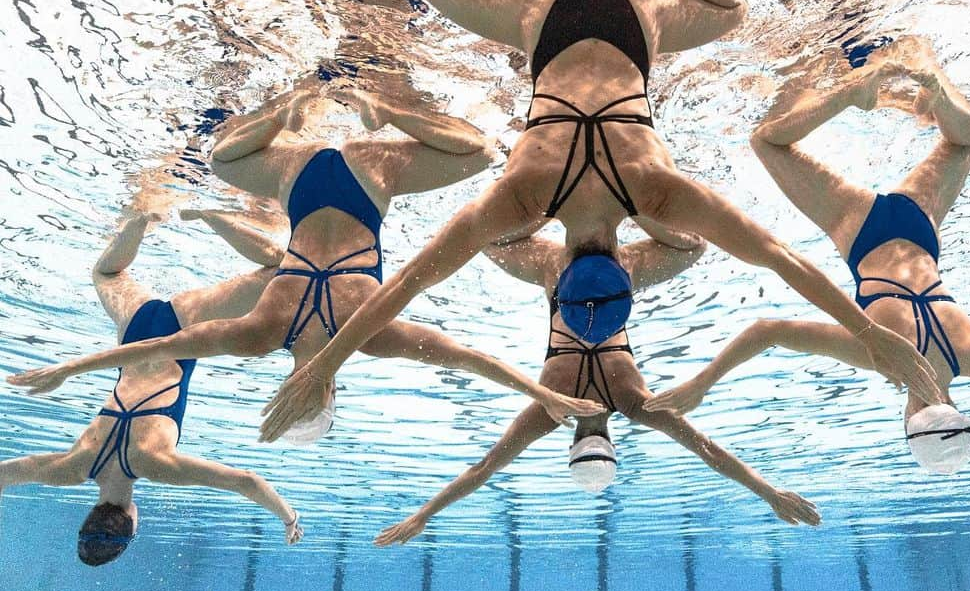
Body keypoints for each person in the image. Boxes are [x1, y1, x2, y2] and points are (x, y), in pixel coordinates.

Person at [257, 0, 940, 439]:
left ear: (622, 261)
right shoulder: (523, 199)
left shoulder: (658, 195)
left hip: (635, 24)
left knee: (729, 9)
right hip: (546, 23)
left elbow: (778, 258)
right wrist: (322, 369)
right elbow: (404, 287)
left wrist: (869, 334)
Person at [8, 87, 602, 430]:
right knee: (220, 164)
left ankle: (373, 109)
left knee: (480, 151)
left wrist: (540, 392)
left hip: (366, 182)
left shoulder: (312, 335)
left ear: (332, 396)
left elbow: (467, 356)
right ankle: (284, 115)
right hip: (302, 184)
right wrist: (71, 368)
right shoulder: (267, 337)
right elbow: (158, 347)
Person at [647, 37, 970, 472]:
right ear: (909, 422)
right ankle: (850, 93)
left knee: (966, 141)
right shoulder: (881, 356)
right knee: (767, 143)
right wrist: (702, 383)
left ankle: (934, 88)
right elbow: (767, 330)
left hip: (919, 228)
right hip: (859, 231)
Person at [373, 227, 821, 546]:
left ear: (611, 444)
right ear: (572, 447)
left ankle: (631, 206)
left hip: (619, 271)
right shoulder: (549, 413)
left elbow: (709, 451)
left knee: (694, 245)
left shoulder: (638, 404)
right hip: (558, 270)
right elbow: (482, 470)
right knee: (491, 234)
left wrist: (771, 493)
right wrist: (421, 517)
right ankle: (548, 203)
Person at [0, 209, 302, 565]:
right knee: (106, 272)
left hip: (184, 327)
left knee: (284, 272)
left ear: (132, 524)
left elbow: (246, 482)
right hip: (135, 327)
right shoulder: (71, 467)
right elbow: (7, 473)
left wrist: (288, 518)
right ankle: (143, 219)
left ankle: (211, 215)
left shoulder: (156, 465)